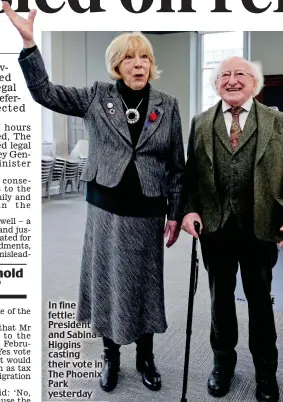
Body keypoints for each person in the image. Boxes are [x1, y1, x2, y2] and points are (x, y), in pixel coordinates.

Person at [2, 2, 185, 393]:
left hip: (148, 211)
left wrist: (175, 213)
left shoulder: (167, 105)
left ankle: (146, 357)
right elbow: (45, 93)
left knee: (145, 285)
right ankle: (111, 357)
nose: (139, 64)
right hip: (106, 209)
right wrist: (30, 43)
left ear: (151, 65)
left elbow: (176, 165)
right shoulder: (96, 96)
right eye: (129, 58)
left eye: (145, 58)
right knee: (107, 283)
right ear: (116, 65)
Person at [181, 56, 283, 402]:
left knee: (260, 304)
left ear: (255, 84)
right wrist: (189, 210)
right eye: (225, 75)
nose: (232, 80)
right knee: (220, 303)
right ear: (216, 84)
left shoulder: (278, 122)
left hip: (262, 229)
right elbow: (190, 180)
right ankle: (223, 364)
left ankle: (266, 373)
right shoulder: (201, 122)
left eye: (241, 74)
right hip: (216, 230)